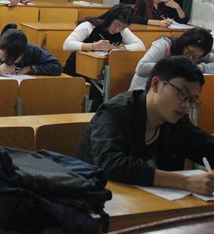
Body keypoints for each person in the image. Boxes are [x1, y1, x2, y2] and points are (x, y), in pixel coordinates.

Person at [77, 56, 214, 195]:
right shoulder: (115, 112)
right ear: (156, 84)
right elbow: (110, 164)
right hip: (98, 198)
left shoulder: (178, 122)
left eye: (192, 100)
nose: (186, 105)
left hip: (154, 202)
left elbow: (206, 147)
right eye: (182, 94)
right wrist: (184, 182)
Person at [63, 3, 145, 111]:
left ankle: (96, 116)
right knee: (101, 90)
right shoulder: (89, 26)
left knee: (109, 89)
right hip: (77, 70)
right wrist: (92, 46)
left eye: (123, 27)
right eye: (116, 24)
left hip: (99, 74)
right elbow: (67, 45)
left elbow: (140, 45)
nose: (118, 29)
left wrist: (120, 48)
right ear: (110, 18)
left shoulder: (122, 31)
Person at [129, 28, 214, 91]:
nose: (190, 59)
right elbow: (141, 68)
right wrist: (174, 67)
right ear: (184, 43)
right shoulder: (164, 45)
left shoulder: (198, 53)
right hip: (144, 92)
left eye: (195, 57)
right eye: (188, 52)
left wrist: (199, 68)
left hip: (171, 96)